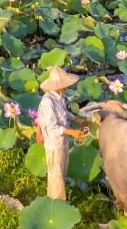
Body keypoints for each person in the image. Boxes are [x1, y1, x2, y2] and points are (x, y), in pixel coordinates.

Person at [36, 66, 89, 200]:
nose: (65, 87)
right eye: (63, 85)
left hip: (62, 142)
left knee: (61, 173)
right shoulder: (48, 102)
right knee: (56, 176)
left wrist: (77, 120)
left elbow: (64, 113)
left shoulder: (59, 96)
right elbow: (52, 126)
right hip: (54, 144)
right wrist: (71, 132)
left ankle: (55, 200)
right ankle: (58, 203)